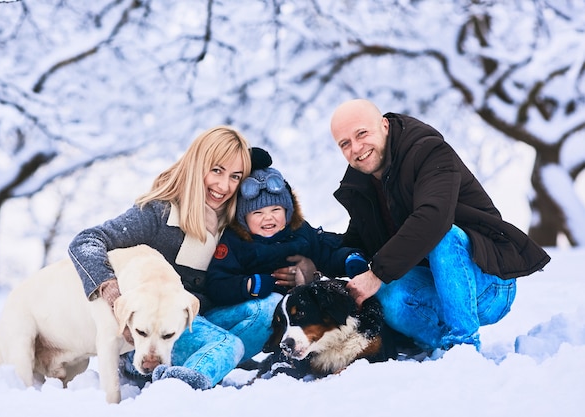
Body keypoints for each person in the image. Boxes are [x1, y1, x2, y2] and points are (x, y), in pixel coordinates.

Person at [326, 98, 551, 352]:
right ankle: (440, 347)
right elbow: (355, 243)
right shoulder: (361, 185)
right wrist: (308, 254)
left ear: (385, 125)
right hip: (433, 284)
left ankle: (463, 346)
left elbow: (433, 219)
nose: (356, 148)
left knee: (442, 236)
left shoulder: (427, 151)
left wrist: (377, 272)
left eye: (362, 133)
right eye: (345, 143)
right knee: (388, 296)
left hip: (488, 282)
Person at [68, 126, 273, 390]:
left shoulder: (234, 223)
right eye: (217, 171)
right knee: (229, 345)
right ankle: (172, 385)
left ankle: (211, 359)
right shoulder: (156, 214)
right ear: (198, 165)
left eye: (235, 176)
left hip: (200, 322)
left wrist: (304, 266)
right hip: (152, 336)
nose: (224, 186)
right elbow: (85, 241)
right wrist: (110, 288)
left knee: (269, 309)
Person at [205, 150, 371, 348]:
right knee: (271, 307)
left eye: (276, 210)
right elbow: (217, 283)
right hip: (247, 309)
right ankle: (233, 349)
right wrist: (248, 285)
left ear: (288, 212)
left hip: (290, 316)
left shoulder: (300, 233)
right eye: (257, 212)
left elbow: (327, 250)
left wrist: (349, 259)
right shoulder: (235, 243)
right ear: (243, 219)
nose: (268, 218)